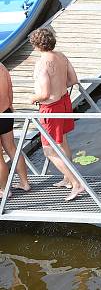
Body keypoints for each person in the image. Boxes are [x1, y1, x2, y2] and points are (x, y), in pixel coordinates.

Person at [28, 28, 83, 201]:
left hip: (50, 108)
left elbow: (44, 94)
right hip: (65, 102)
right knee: (62, 141)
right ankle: (67, 178)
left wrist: (33, 98)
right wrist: (60, 86)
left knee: (49, 151)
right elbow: (73, 80)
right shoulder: (61, 56)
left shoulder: (42, 64)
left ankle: (76, 183)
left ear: (36, 45)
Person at [0, 63, 31, 196]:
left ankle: (4, 190)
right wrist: (10, 104)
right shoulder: (2, 66)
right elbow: (10, 88)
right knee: (12, 148)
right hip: (6, 111)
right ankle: (24, 183)